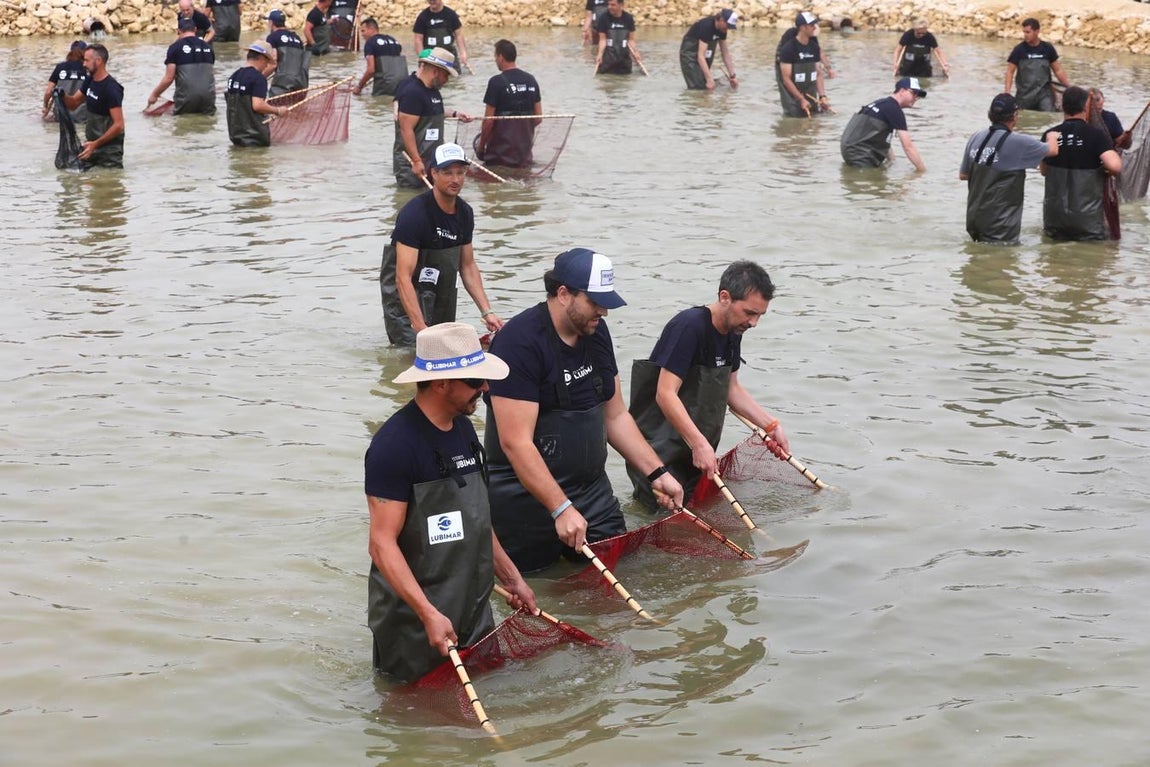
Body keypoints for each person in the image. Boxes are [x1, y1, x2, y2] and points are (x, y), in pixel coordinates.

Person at [484, 248, 685, 573]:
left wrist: (657, 473)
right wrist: (560, 507)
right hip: (524, 500)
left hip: (592, 493)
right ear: (563, 294)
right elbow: (515, 442)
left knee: (622, 575)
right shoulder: (517, 343)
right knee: (540, 592)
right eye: (595, 302)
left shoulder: (596, 333)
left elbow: (616, 415)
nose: (603, 311)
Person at [366, 322, 537, 683]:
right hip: (417, 624)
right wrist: (428, 613)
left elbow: (476, 519)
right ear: (442, 383)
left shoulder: (463, 428)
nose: (486, 388)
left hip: (473, 610)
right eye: (476, 381)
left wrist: (512, 577)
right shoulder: (393, 447)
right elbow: (381, 545)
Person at [627, 261, 790, 509]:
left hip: (694, 455)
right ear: (724, 297)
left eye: (760, 315)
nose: (754, 323)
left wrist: (770, 425)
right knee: (663, 523)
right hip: (659, 456)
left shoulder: (734, 332)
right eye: (749, 313)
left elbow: (731, 389)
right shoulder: (688, 326)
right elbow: (665, 394)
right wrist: (699, 444)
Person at [380, 143, 501, 346]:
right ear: (433, 173)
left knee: (444, 357)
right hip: (407, 301)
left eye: (460, 172)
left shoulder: (465, 213)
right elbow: (402, 277)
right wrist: (419, 327)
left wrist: (487, 311)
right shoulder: (414, 214)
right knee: (410, 355)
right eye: (447, 173)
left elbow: (467, 266)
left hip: (441, 294)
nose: (455, 180)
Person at [959, 93, 1060, 245]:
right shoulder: (1019, 142)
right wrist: (1052, 136)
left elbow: (963, 175)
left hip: (974, 220)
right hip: (1000, 225)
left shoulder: (976, 136)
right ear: (1015, 116)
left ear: (990, 114)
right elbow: (1052, 150)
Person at [1040, 86, 1122, 240]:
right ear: (1086, 106)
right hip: (1087, 222)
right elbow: (1115, 166)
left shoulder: (1049, 135)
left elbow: (1044, 171)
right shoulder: (1097, 136)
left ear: (1062, 106)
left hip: (1054, 219)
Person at [393, 47, 472, 188]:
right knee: (410, 201)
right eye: (446, 75)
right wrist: (416, 161)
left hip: (431, 160)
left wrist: (455, 114)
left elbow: (434, 111)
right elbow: (406, 129)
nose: (447, 80)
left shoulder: (432, 91)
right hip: (412, 164)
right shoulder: (412, 92)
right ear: (436, 71)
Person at [477, 39, 541, 168]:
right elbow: (538, 118)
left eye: (495, 56)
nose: (495, 60)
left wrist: (481, 146)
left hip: (498, 155)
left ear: (500, 57)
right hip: (524, 154)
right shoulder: (531, 80)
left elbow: (488, 121)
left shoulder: (496, 82)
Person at [840, 77, 927, 171]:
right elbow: (908, 147)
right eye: (913, 93)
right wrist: (922, 171)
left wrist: (892, 161)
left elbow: (882, 138)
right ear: (902, 91)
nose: (915, 98)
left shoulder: (882, 104)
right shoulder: (894, 110)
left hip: (849, 151)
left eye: (918, 95)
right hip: (861, 155)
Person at [60, 43, 124, 169]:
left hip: (109, 155)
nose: (83, 64)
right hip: (91, 149)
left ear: (98, 61)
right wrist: (62, 95)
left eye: (86, 60)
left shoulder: (111, 88)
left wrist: (96, 144)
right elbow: (73, 103)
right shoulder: (90, 80)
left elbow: (119, 125)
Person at [147, 17, 216, 115]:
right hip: (209, 99)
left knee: (181, 123)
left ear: (178, 31)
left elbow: (169, 78)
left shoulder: (175, 48)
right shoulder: (208, 47)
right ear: (195, 30)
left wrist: (154, 95)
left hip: (186, 100)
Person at [224, 43, 288, 147]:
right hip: (254, 139)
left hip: (236, 136)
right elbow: (258, 105)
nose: (267, 65)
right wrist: (278, 111)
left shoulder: (234, 76)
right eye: (267, 61)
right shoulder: (259, 78)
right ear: (262, 58)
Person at [1005, 18, 1071, 112]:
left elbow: (1058, 70)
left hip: (1044, 95)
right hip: (1024, 95)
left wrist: (1069, 86)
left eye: (1028, 32)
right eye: (1024, 32)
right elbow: (1009, 72)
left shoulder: (1047, 48)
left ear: (1037, 31)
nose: (1025, 35)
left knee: (1048, 116)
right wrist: (1007, 92)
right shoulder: (1019, 50)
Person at [778, 11, 830, 117]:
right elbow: (786, 79)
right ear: (802, 27)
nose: (815, 28)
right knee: (795, 122)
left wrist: (822, 97)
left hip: (810, 92)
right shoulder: (788, 49)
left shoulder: (814, 47)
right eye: (811, 25)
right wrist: (801, 99)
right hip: (794, 97)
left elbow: (818, 74)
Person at [679, 8, 738, 91]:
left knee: (706, 83)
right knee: (698, 88)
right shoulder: (707, 26)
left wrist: (732, 76)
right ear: (721, 20)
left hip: (705, 52)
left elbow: (725, 53)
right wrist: (709, 79)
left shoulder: (722, 29)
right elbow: (700, 56)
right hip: (690, 52)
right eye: (728, 26)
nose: (727, 29)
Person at [354, 17, 406, 96]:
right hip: (403, 83)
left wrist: (359, 86)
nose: (362, 34)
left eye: (363, 31)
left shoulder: (370, 43)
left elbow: (371, 70)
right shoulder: (394, 41)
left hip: (385, 86)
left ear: (372, 29)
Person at [413, 0, 468, 73]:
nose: (432, 2)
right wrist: (422, 59)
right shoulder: (422, 17)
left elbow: (459, 35)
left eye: (434, 0)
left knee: (454, 81)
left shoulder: (450, 14)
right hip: (431, 58)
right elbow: (418, 40)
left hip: (449, 57)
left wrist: (463, 53)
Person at [42, 41, 88, 123]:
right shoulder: (88, 69)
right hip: (82, 117)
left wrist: (45, 106)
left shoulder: (60, 67)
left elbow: (48, 92)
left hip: (60, 116)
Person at [266, 9, 309, 97]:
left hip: (283, 84)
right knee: (295, 109)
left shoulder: (273, 37)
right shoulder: (296, 38)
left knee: (275, 107)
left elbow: (273, 64)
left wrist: (260, 77)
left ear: (271, 23)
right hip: (301, 83)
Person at [595, 0, 643, 75]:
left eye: (613, 5)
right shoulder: (603, 18)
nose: (609, 7)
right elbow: (602, 40)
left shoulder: (628, 18)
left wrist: (636, 52)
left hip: (624, 61)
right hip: (608, 60)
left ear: (621, 5)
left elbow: (631, 40)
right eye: (609, 5)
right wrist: (599, 54)